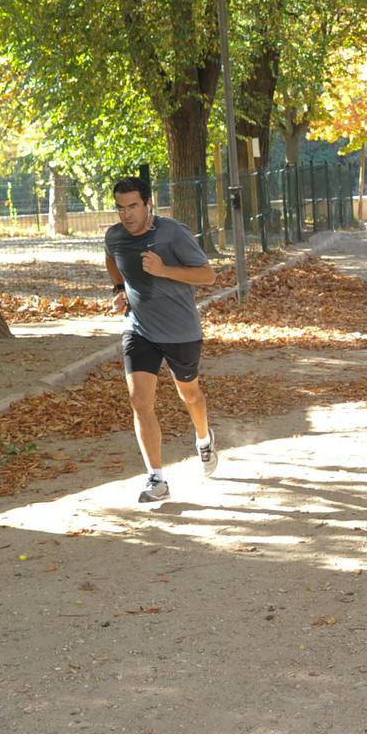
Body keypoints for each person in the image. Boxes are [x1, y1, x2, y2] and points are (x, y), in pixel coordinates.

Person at [104, 177, 218, 502]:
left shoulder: (172, 233)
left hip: (181, 330)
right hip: (139, 329)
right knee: (140, 402)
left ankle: (203, 438)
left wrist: (164, 269)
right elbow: (112, 259)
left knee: (190, 395)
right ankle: (157, 479)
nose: (127, 215)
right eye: (121, 208)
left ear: (148, 204)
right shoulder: (115, 237)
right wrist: (119, 291)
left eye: (133, 206)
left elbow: (207, 275)